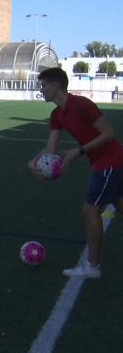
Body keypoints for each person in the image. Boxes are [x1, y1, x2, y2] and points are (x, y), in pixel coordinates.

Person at [29, 67, 123, 278]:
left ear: (57, 86)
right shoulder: (56, 115)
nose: (41, 90)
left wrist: (78, 152)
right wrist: (34, 163)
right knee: (118, 202)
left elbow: (109, 133)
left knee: (90, 210)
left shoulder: (82, 105)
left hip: (110, 160)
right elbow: (51, 149)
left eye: (43, 85)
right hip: (102, 161)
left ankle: (92, 266)